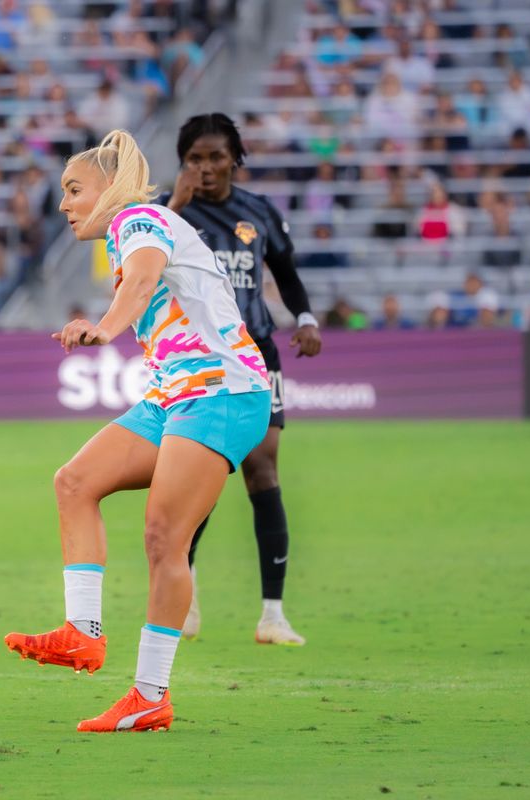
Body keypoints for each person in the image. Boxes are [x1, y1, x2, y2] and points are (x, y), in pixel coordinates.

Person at [4, 130, 272, 732]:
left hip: (222, 390)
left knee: (162, 536)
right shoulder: (133, 232)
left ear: (111, 188)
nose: (65, 204)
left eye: (74, 190)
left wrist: (105, 328)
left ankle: (151, 694)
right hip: (173, 395)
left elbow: (145, 280)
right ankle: (82, 634)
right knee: (75, 482)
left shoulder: (138, 219)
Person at [158, 113, 321, 646]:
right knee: (200, 476)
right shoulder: (164, 213)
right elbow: (140, 263)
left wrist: (306, 319)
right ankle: (187, 598)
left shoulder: (258, 213)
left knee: (262, 470)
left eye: (214, 157)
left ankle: (273, 615)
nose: (205, 168)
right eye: (194, 159)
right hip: (199, 359)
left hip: (257, 352)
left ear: (235, 158)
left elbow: (288, 274)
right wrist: (175, 206)